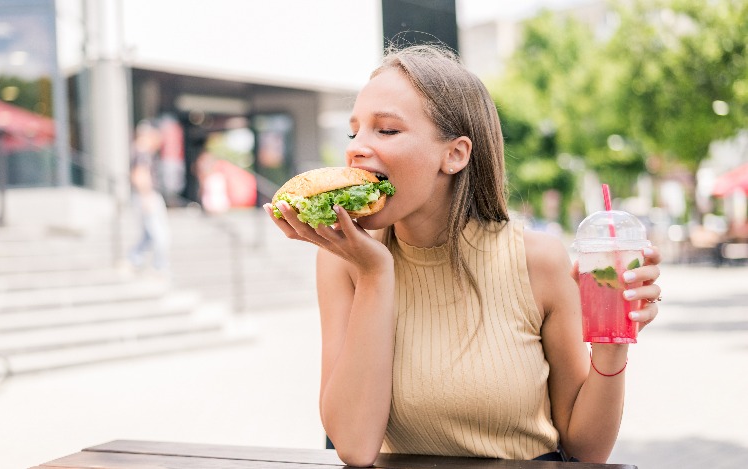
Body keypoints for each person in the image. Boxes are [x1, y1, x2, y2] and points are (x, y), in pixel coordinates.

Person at [263, 44, 662, 466]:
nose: (356, 148)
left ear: (454, 154)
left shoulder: (538, 261)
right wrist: (376, 274)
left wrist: (614, 339)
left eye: (386, 130)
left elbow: (587, 450)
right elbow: (355, 447)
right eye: (354, 131)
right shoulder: (344, 260)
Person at [127, 120, 170, 275]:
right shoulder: (142, 151)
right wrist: (146, 196)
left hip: (146, 195)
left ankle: (134, 258)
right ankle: (159, 266)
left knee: (149, 235)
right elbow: (139, 175)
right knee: (159, 233)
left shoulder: (141, 151)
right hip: (147, 195)